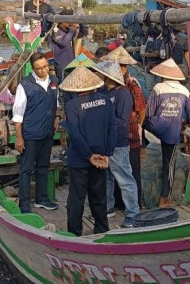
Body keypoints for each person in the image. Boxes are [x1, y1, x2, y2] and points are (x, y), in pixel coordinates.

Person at [60, 66, 117, 236]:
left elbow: (75, 135)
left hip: (80, 158)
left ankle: (75, 233)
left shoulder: (71, 105)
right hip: (101, 157)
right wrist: (107, 153)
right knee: (99, 197)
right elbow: (112, 129)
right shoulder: (105, 101)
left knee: (77, 198)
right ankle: (102, 230)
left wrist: (88, 155)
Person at [93, 60, 140, 227]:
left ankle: (133, 213)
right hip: (104, 142)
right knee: (107, 178)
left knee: (124, 178)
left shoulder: (123, 95)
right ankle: (108, 207)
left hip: (118, 143)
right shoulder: (103, 92)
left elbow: (122, 122)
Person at [12, 53, 60, 214]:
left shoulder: (54, 82)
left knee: (43, 166)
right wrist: (19, 137)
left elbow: (56, 103)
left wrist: (57, 118)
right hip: (31, 133)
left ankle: (42, 198)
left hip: (47, 132)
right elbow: (18, 114)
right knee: (26, 169)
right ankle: (24, 203)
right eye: (39, 68)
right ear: (33, 69)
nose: (43, 71)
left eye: (45, 66)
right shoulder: (25, 85)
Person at [144, 59, 190, 208]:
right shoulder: (185, 91)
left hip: (155, 126)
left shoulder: (158, 87)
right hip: (172, 130)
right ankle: (165, 197)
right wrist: (182, 124)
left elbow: (149, 112)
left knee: (142, 121)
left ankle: (142, 146)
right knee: (169, 164)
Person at [105, 46, 147, 208]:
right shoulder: (110, 82)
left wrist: (138, 125)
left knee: (130, 171)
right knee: (116, 172)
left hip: (130, 131)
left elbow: (141, 108)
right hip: (116, 133)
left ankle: (133, 206)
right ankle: (118, 204)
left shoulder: (131, 82)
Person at [49, 8, 89, 79]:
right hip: (62, 65)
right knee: (62, 85)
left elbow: (83, 33)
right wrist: (72, 30)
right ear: (62, 21)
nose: (70, 22)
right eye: (68, 20)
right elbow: (64, 43)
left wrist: (82, 21)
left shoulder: (69, 30)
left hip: (71, 63)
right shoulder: (55, 31)